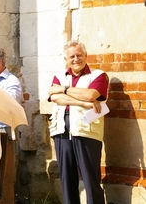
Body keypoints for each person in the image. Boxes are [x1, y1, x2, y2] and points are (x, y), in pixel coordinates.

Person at [48, 40, 108, 204]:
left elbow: (90, 95)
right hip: (61, 129)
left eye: (79, 55)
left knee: (90, 179)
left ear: (86, 55)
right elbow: (54, 97)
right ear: (66, 59)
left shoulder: (98, 75)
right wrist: (82, 102)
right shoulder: (60, 75)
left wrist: (64, 89)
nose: (76, 59)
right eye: (72, 56)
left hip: (86, 129)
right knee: (67, 179)